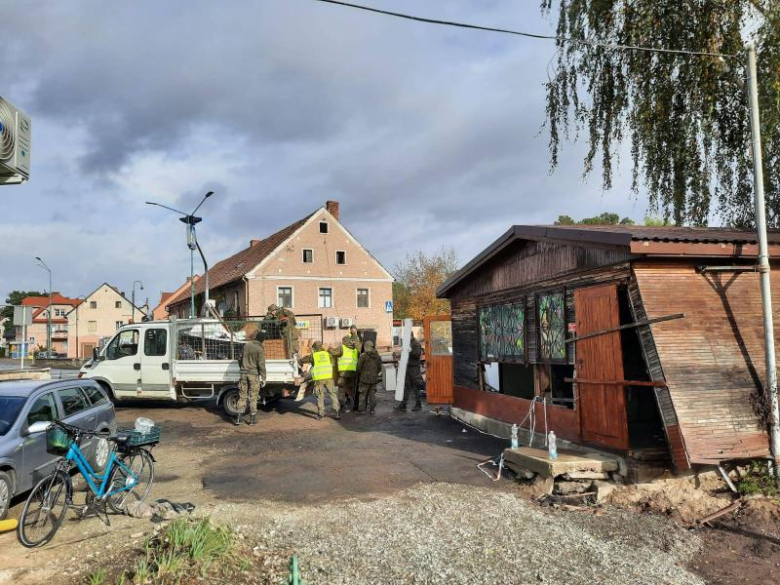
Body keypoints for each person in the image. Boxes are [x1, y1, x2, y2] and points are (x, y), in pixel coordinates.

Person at [299, 341, 341, 420]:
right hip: (329, 377)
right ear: (321, 347)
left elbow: (305, 359)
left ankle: (321, 415)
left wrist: (299, 361)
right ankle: (337, 412)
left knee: (320, 396)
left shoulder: (314, 356)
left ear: (314, 348)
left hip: (319, 379)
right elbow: (333, 363)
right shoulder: (328, 354)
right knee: (333, 394)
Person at [236, 330, 266, 426]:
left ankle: (238, 419)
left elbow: (239, 359)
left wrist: (242, 367)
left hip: (243, 374)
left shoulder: (246, 345)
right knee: (253, 397)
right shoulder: (259, 349)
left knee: (242, 395)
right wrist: (264, 378)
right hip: (253, 375)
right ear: (262, 340)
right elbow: (261, 365)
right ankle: (252, 420)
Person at [397, 332, 423, 412]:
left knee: (416, 387)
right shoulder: (409, 343)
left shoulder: (415, 343)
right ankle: (403, 405)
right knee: (406, 386)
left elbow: (417, 354)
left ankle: (418, 405)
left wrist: (410, 351)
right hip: (408, 368)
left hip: (414, 368)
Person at [356, 340, 383, 414]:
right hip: (374, 378)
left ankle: (362, 410)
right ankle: (372, 409)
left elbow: (358, 368)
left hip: (364, 378)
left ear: (366, 347)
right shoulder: (377, 356)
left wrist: (360, 374)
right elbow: (379, 367)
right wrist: (375, 373)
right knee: (372, 395)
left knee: (363, 394)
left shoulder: (363, 356)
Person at [337, 335, 359, 412]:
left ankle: (342, 406)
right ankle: (355, 405)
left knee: (341, 388)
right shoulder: (355, 349)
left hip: (343, 372)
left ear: (344, 341)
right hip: (353, 372)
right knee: (353, 389)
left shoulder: (342, 347)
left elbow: (334, 353)